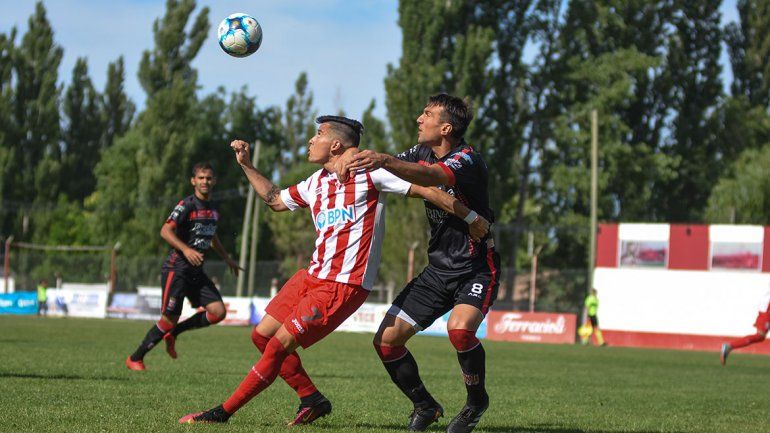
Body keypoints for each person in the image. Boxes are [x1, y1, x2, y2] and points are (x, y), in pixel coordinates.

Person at [179, 115, 489, 426]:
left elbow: (430, 191)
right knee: (261, 336)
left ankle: (221, 414)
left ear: (336, 145)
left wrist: (472, 219)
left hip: (342, 285)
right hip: (311, 277)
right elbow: (274, 200)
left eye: (318, 134)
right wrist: (246, 165)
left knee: (277, 347)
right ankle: (312, 399)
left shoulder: (370, 173)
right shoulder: (315, 182)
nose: (311, 140)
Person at [343, 94, 500, 433]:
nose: (419, 119)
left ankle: (476, 402)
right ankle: (425, 405)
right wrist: (345, 158)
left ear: (446, 128)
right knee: (386, 341)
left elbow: (429, 178)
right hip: (437, 270)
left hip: (475, 267)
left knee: (460, 331)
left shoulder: (466, 159)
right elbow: (394, 175)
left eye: (427, 114)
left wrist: (384, 159)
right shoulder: (420, 152)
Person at [125, 162, 242, 371]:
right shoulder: (187, 205)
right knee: (168, 319)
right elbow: (165, 231)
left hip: (196, 271)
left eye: (209, 178)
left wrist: (227, 258)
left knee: (218, 312)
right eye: (201, 178)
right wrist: (186, 250)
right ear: (193, 181)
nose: (205, 181)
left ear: (214, 181)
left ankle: (175, 333)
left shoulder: (213, 208)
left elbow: (212, 235)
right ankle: (135, 358)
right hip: (176, 269)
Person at [721, 286, 770, 366]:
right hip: (767, 308)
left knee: (760, 337)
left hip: (766, 306)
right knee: (760, 335)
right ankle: (729, 346)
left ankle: (730, 346)